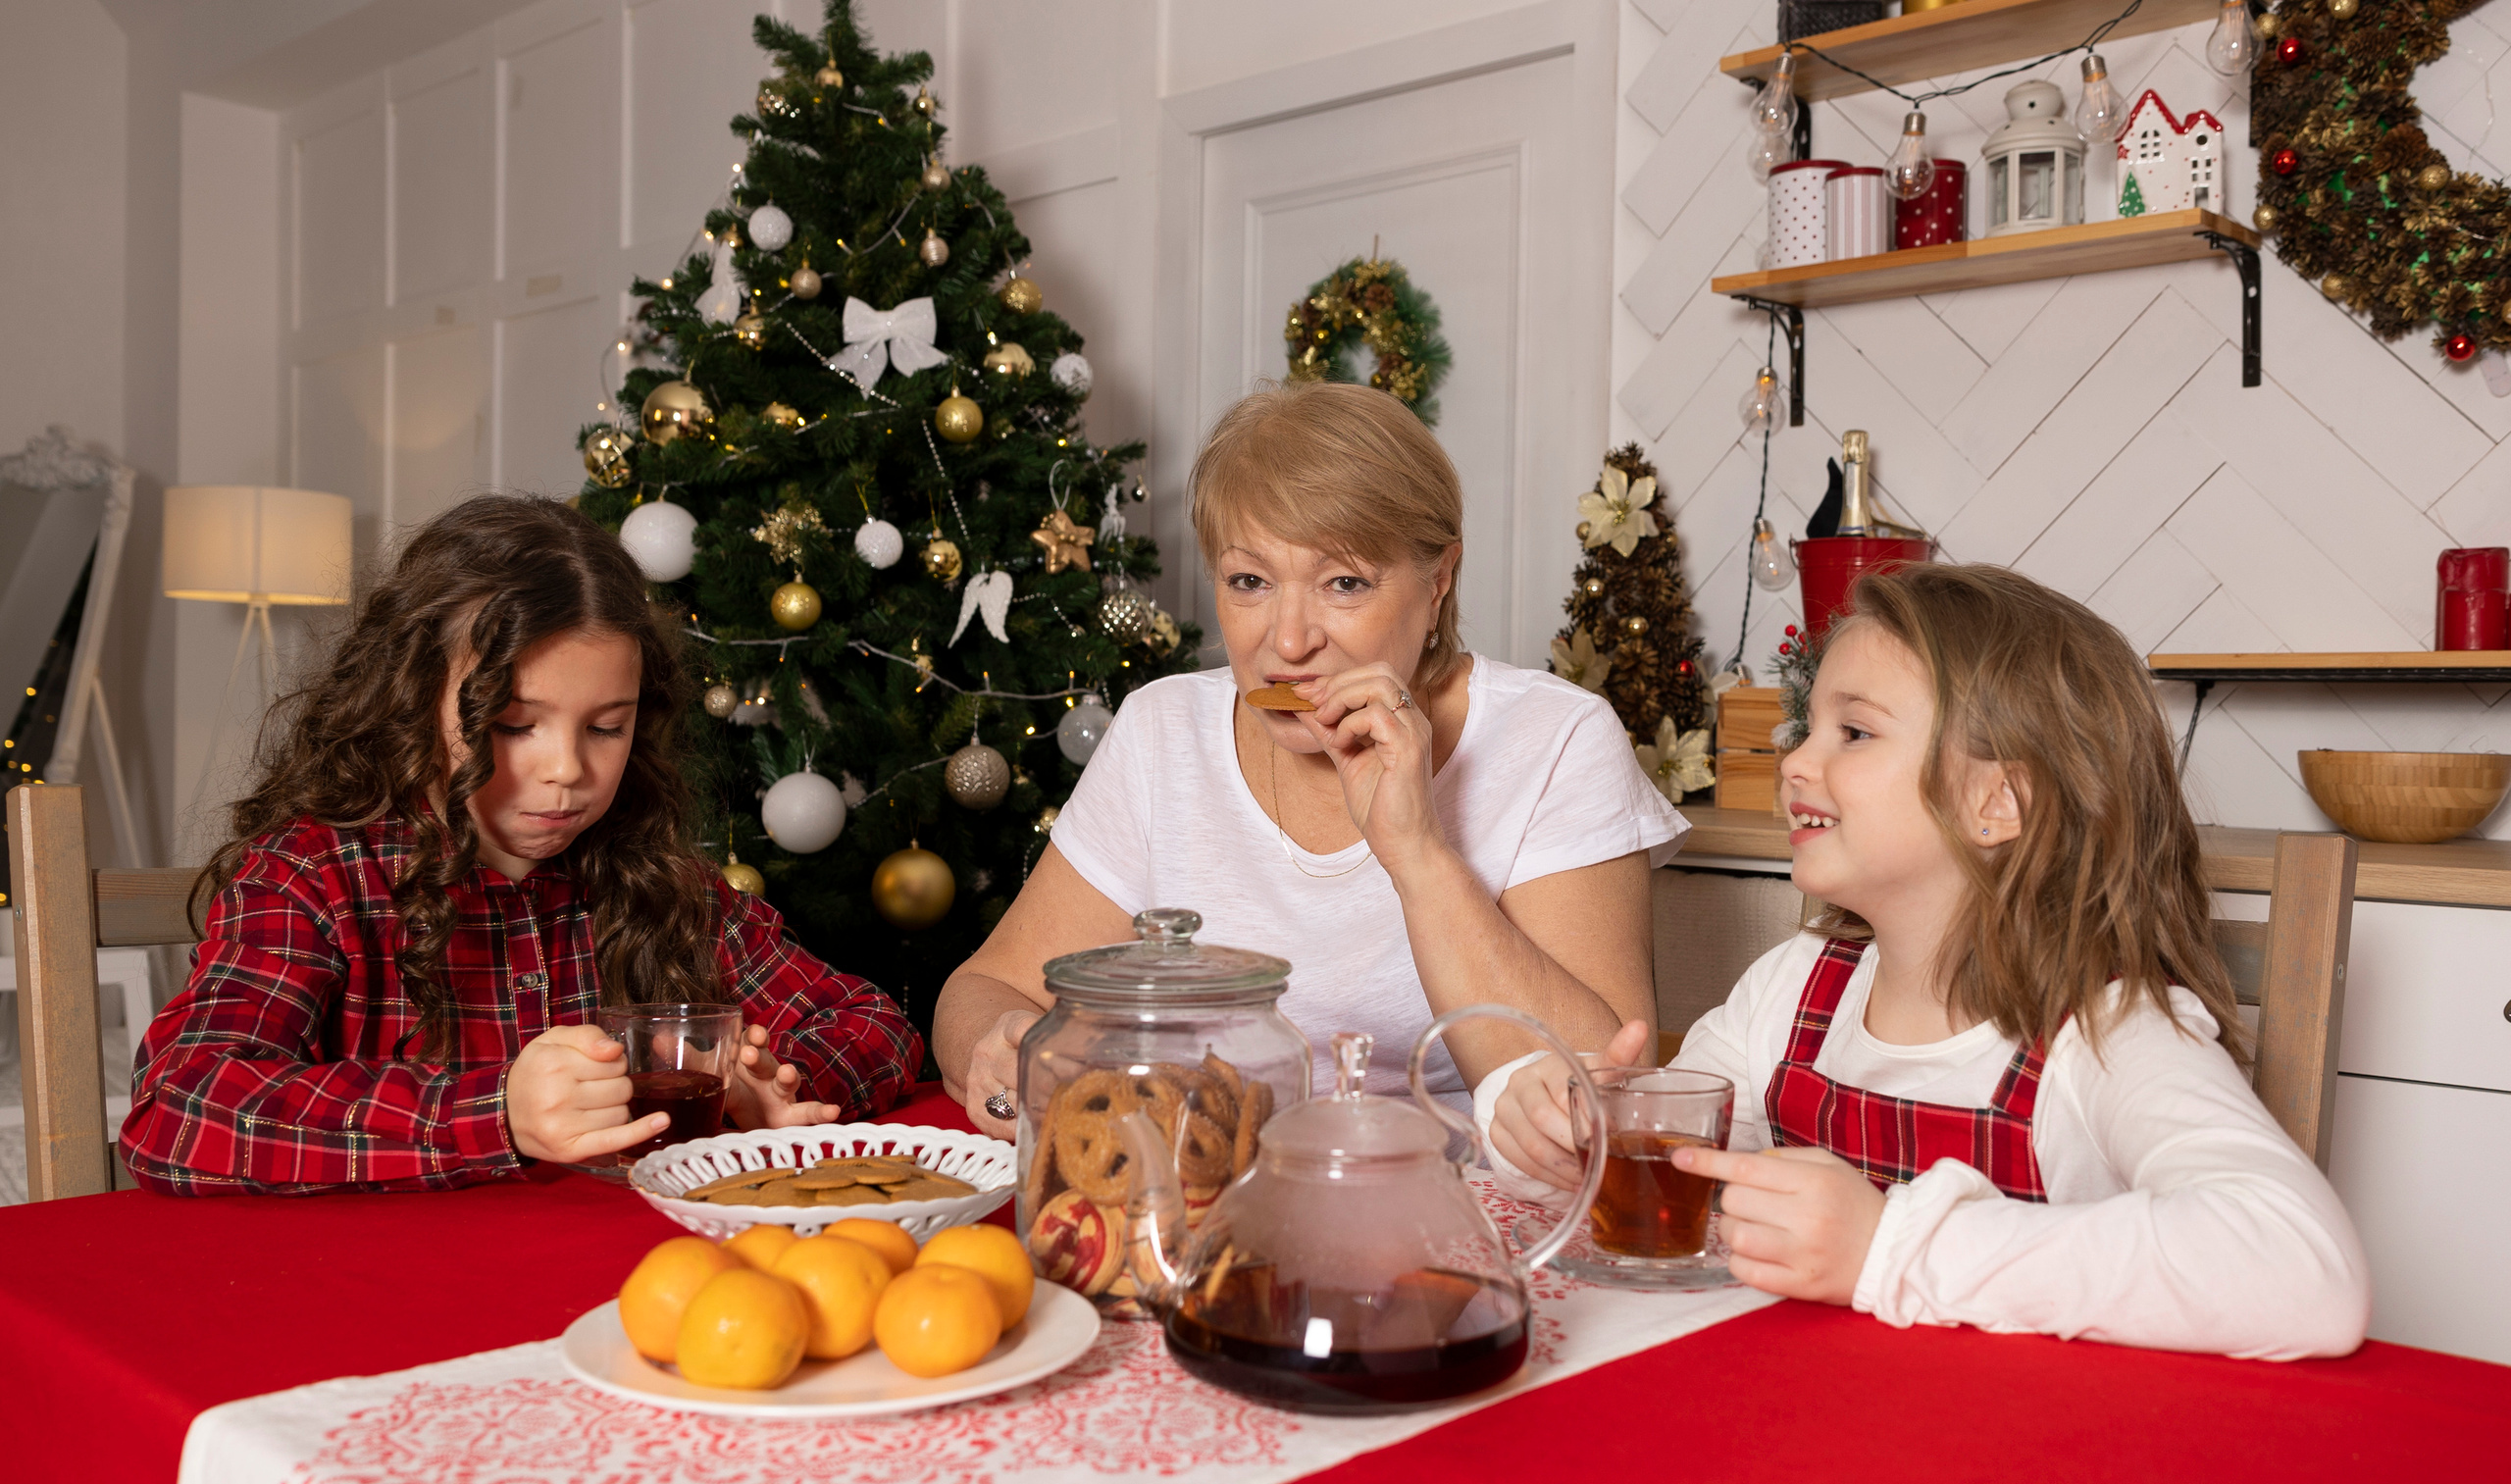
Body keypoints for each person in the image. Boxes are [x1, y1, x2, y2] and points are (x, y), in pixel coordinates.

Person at [1481, 563, 2370, 1358]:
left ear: (1998, 800)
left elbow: (2304, 1267)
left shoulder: (2108, 1031)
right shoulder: (1792, 988)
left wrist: (1888, 1249)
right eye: (1808, 726)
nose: (1795, 760)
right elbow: (1681, 1180)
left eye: (1854, 733)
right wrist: (1569, 1134)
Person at [938, 383, 1682, 1134]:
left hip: (1459, 1207)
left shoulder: (1555, 739)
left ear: (1438, 581)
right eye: (1250, 581)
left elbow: (1607, 1093)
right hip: (1204, 1195)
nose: (1288, 642)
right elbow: (986, 987)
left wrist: (1418, 852)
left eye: (1344, 582)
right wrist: (1004, 1054)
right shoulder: (1162, 730)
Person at [123, 494, 919, 1194]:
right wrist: (495, 1112)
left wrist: (765, 1085)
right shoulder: (312, 879)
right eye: (511, 725)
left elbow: (872, 1023)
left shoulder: (657, 880)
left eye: (607, 726)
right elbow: (179, 1107)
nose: (568, 770)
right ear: (407, 698)